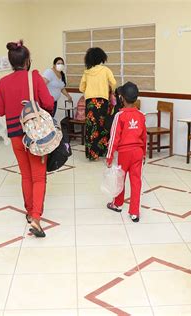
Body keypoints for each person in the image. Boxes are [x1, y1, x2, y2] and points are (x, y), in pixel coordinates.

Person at [0, 40, 54, 238]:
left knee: (26, 175)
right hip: (34, 135)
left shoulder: (3, 82)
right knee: (38, 177)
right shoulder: (34, 77)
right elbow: (48, 102)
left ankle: (29, 212)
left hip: (15, 136)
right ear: (27, 60)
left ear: (11, 62)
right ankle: (36, 217)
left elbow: (0, 110)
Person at [106, 82, 146, 222]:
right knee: (136, 182)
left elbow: (114, 138)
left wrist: (109, 156)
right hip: (138, 153)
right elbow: (144, 137)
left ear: (122, 98)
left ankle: (117, 204)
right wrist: (144, 154)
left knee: (120, 179)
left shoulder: (119, 116)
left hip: (124, 153)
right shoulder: (141, 115)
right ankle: (134, 212)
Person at [79, 47, 117, 161]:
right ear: (101, 57)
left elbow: (81, 88)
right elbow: (114, 83)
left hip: (90, 103)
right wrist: (110, 89)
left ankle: (92, 154)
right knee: (103, 127)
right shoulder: (105, 70)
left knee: (91, 128)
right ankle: (103, 151)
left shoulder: (87, 72)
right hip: (103, 102)